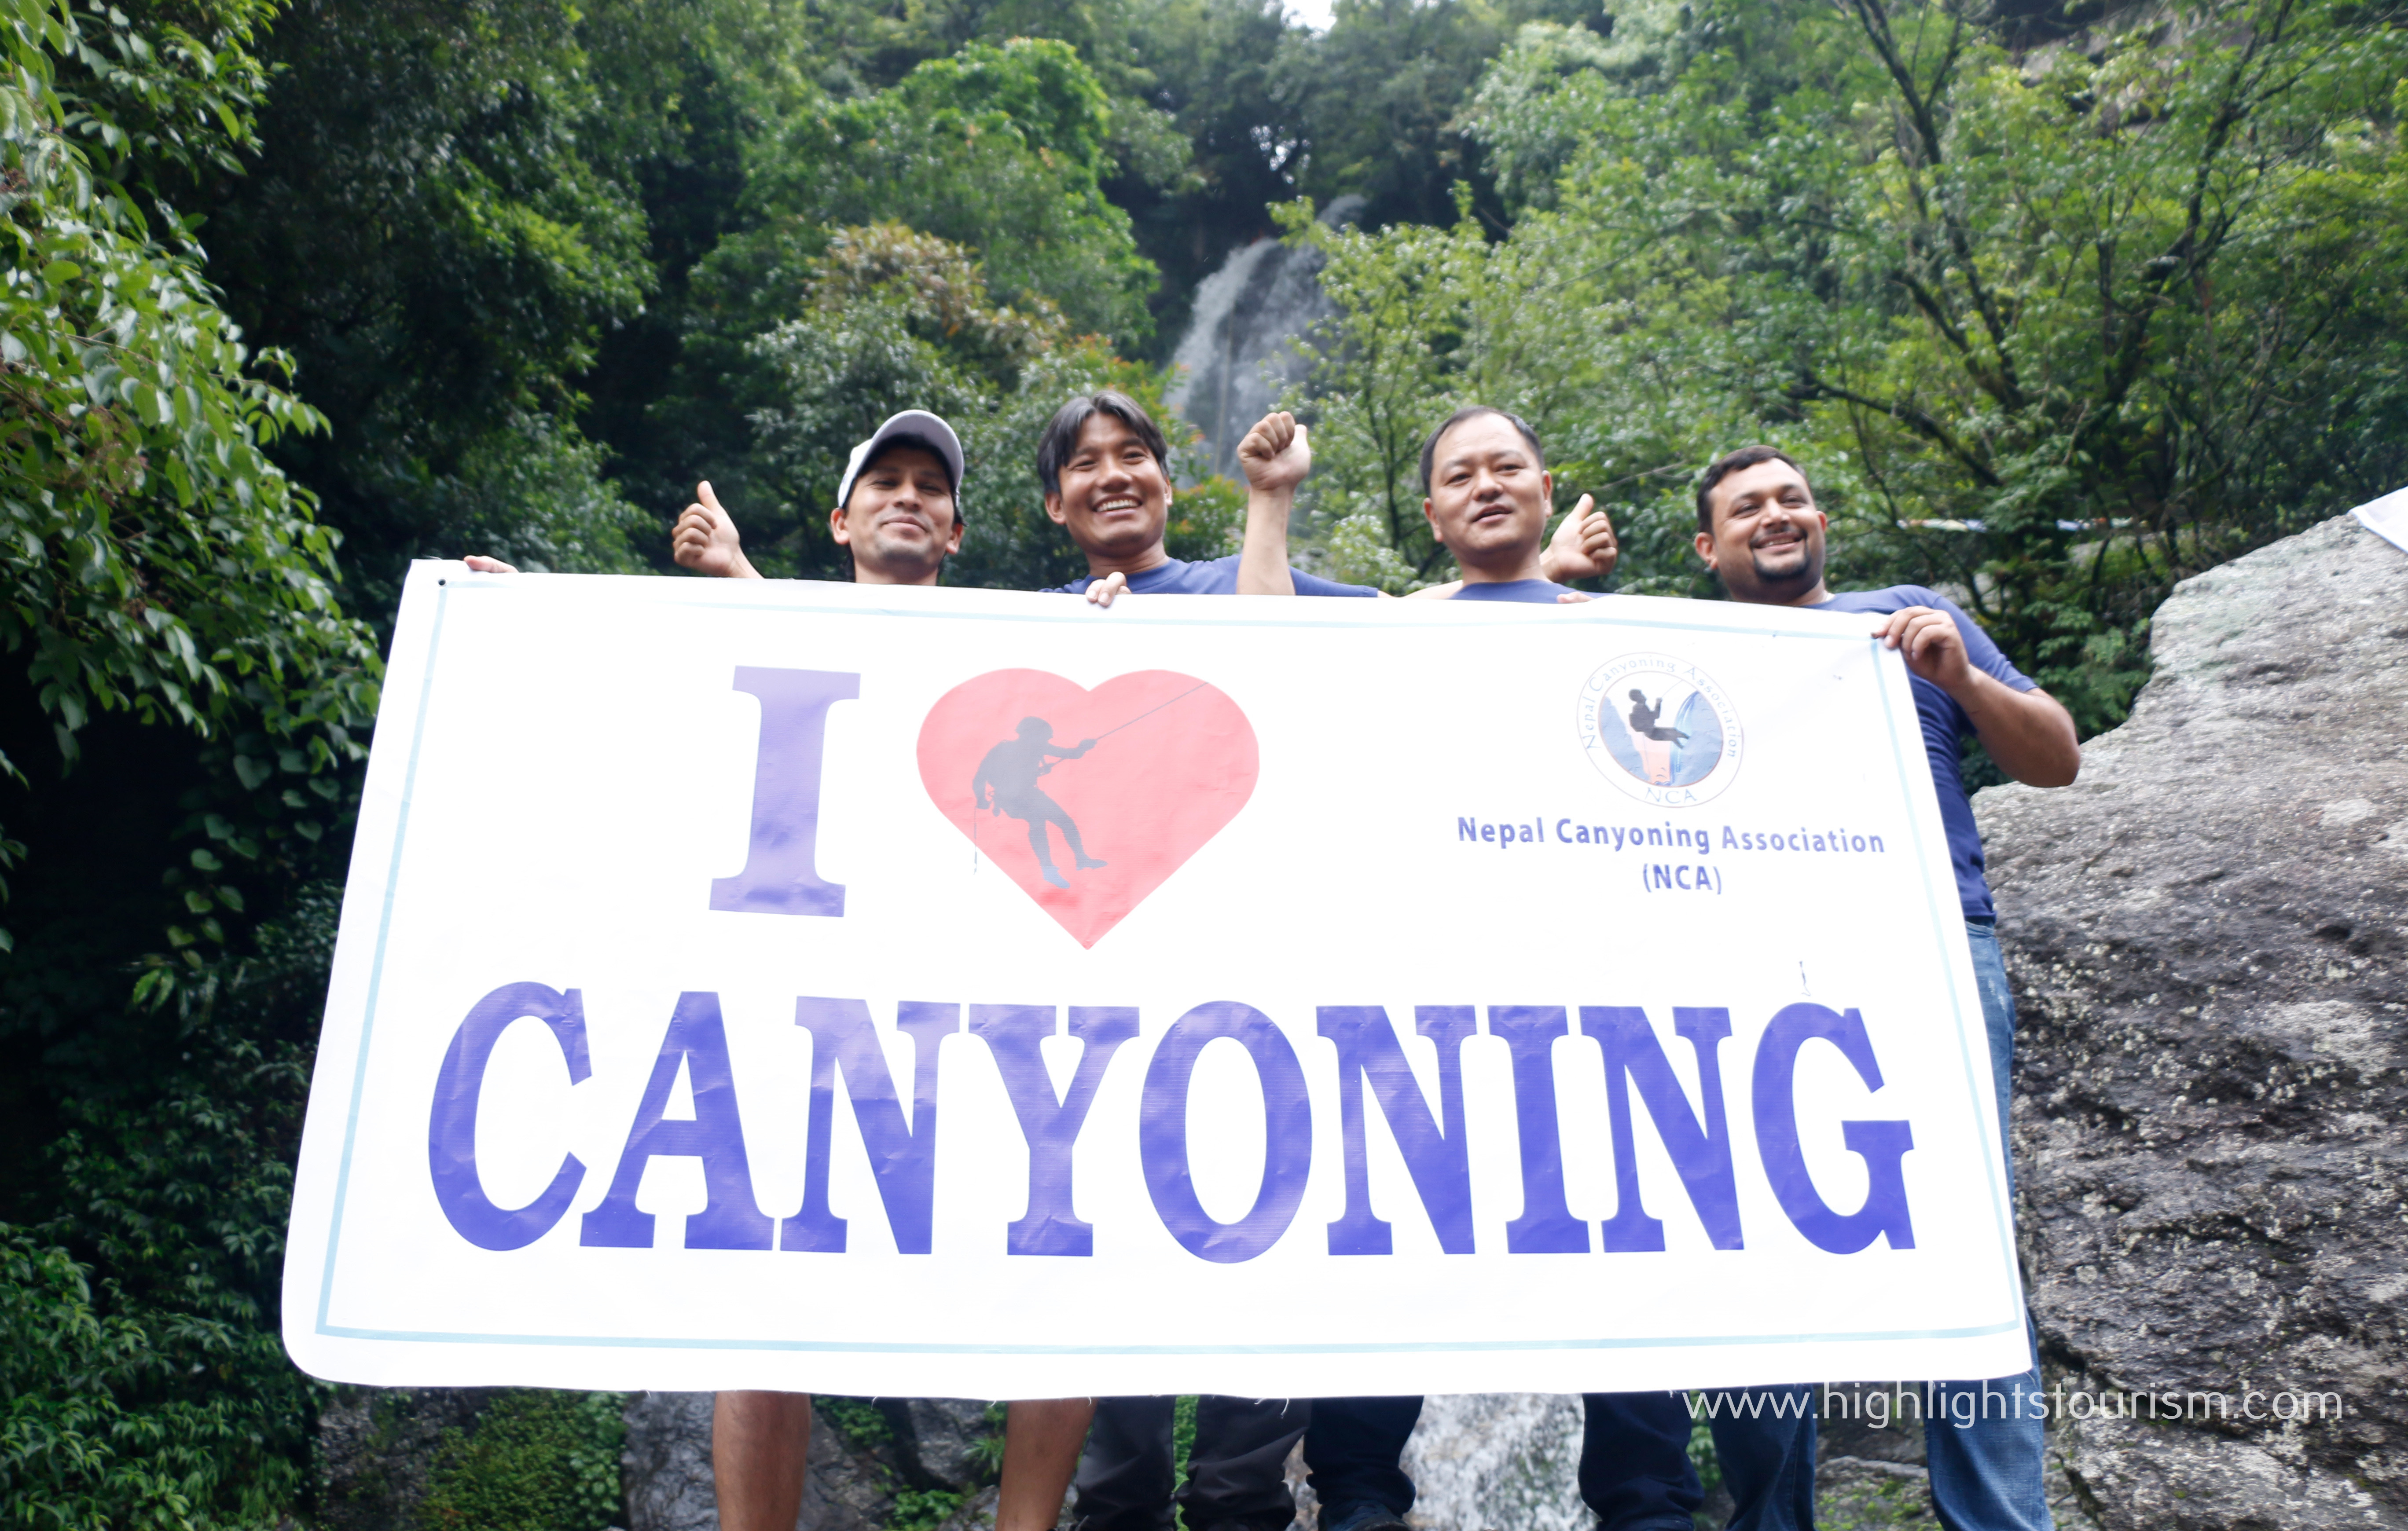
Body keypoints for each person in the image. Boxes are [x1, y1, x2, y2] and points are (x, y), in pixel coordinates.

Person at [1279, 406, 1818, 1531]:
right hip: (1420, 996)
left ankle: (1648, 1506)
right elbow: (1254, 632)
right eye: (1460, 476)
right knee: (1395, 1240)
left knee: (1634, 1240)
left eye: (1507, 468)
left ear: (1544, 487)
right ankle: (1362, 1503)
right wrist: (1274, 502)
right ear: (1430, 513)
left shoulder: (1639, 640)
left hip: (1604, 1001)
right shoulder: (1387, 627)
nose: (1486, 486)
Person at [464, 409, 975, 1531]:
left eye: (929, 487)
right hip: (782, 1012)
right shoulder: (759, 629)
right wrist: (509, 622)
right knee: (762, 1304)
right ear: (841, 522)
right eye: (883, 481)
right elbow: (632, 695)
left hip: (953, 1019)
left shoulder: (1016, 641)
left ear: (955, 532)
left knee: (1049, 1264)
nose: (907, 496)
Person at [1680, 443, 2077, 1531]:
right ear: (1709, 546)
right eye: (1749, 506)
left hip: (1936, 953)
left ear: (1819, 522)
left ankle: (2000, 1521)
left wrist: (1963, 676)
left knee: (1965, 1249)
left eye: (1793, 498)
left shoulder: (1908, 615)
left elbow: (2056, 758)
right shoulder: (1681, 651)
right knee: (1749, 1245)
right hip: (1749, 975)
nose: (1778, 513)